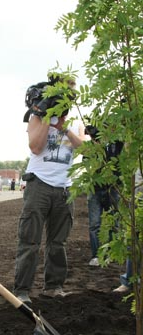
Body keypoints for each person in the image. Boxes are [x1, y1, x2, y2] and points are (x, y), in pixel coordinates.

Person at [13, 89, 85, 304]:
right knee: (30, 241)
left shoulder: (75, 122)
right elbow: (35, 147)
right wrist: (46, 116)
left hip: (65, 188)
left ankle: (54, 287)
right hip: (39, 185)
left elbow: (85, 149)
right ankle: (22, 291)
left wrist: (64, 128)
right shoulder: (37, 118)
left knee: (58, 243)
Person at [85, 126, 123, 267]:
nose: (96, 140)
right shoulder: (89, 149)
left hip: (113, 188)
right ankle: (96, 256)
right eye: (93, 138)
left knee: (115, 223)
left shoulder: (116, 143)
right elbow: (88, 167)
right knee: (94, 224)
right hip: (94, 190)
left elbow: (123, 132)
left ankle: (114, 254)